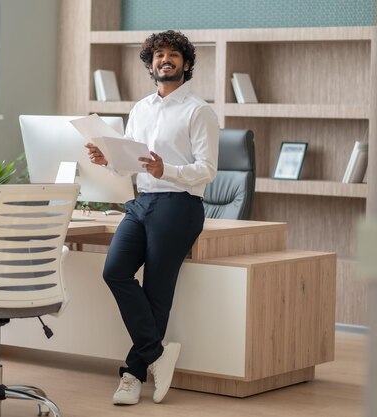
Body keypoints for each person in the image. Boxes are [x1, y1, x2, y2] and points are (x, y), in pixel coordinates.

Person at [85, 30, 219, 405]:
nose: (165, 60)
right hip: (141, 202)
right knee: (114, 271)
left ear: (186, 63)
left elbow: (207, 169)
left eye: (173, 55)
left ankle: (132, 374)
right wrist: (108, 160)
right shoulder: (140, 109)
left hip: (179, 205)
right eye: (159, 54)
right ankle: (158, 353)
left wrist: (167, 171)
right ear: (150, 63)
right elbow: (130, 164)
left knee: (157, 292)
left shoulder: (199, 111)